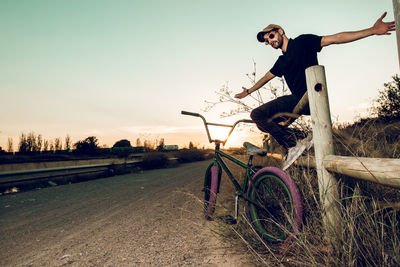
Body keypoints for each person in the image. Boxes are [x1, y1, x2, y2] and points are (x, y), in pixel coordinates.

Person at [235, 12, 395, 169]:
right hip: (298, 103)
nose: (269, 42)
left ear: (280, 32)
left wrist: (372, 31)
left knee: (256, 114)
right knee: (265, 123)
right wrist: (248, 91)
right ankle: (301, 137)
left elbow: (335, 39)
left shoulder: (302, 42)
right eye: (266, 41)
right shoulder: (281, 61)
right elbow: (265, 77)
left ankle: (293, 145)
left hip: (310, 97)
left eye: (270, 36)